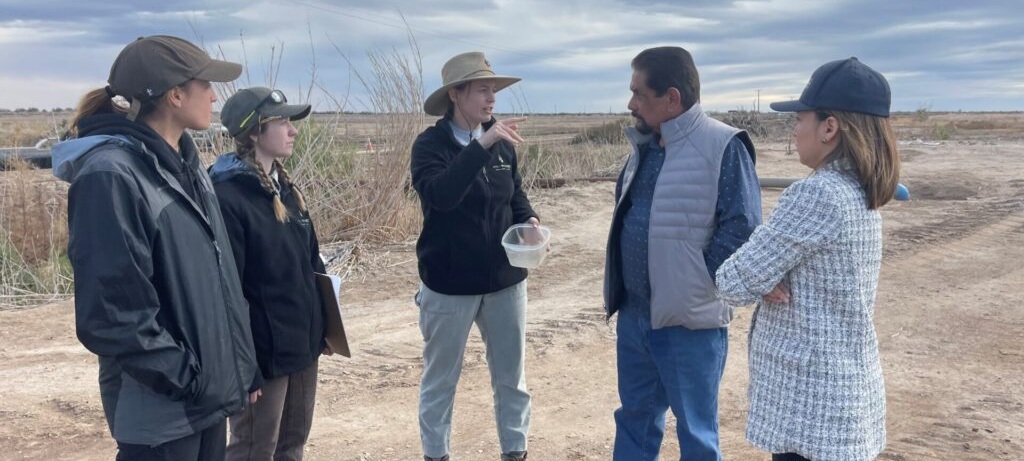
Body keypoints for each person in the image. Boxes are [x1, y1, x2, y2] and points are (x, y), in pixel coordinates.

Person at [51, 35, 262, 460]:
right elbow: (113, 316)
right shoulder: (110, 175)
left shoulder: (186, 165)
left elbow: (217, 280)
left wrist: (239, 368)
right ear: (175, 94)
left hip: (204, 403)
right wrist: (189, 379)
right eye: (206, 84)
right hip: (161, 415)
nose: (215, 95)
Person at [716, 57, 899, 461]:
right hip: (843, 399)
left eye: (799, 119)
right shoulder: (860, 190)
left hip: (812, 409)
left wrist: (762, 276)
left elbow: (732, 281)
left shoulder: (816, 194)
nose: (795, 130)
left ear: (829, 127)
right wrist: (768, 276)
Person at [603, 46, 762, 460]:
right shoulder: (645, 144)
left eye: (639, 93)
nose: (631, 103)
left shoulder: (724, 145)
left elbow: (742, 228)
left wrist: (698, 284)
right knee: (635, 421)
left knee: (696, 433)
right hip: (636, 315)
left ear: (672, 98)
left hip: (690, 324)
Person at [410, 51, 538, 461]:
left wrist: (530, 219)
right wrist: (483, 143)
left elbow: (513, 194)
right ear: (455, 94)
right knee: (441, 380)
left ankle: (514, 452)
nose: (492, 99)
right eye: (483, 89)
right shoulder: (430, 145)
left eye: (494, 90)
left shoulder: (501, 145)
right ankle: (436, 454)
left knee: (511, 379)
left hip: (505, 281)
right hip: (448, 284)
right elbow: (442, 196)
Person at [211, 87, 329, 461]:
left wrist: (324, 327)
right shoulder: (228, 195)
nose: (293, 131)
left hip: (301, 346)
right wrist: (244, 366)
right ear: (253, 132)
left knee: (292, 444)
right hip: (263, 356)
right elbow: (228, 292)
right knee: (253, 449)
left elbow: (311, 265)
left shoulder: (286, 189)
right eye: (281, 122)